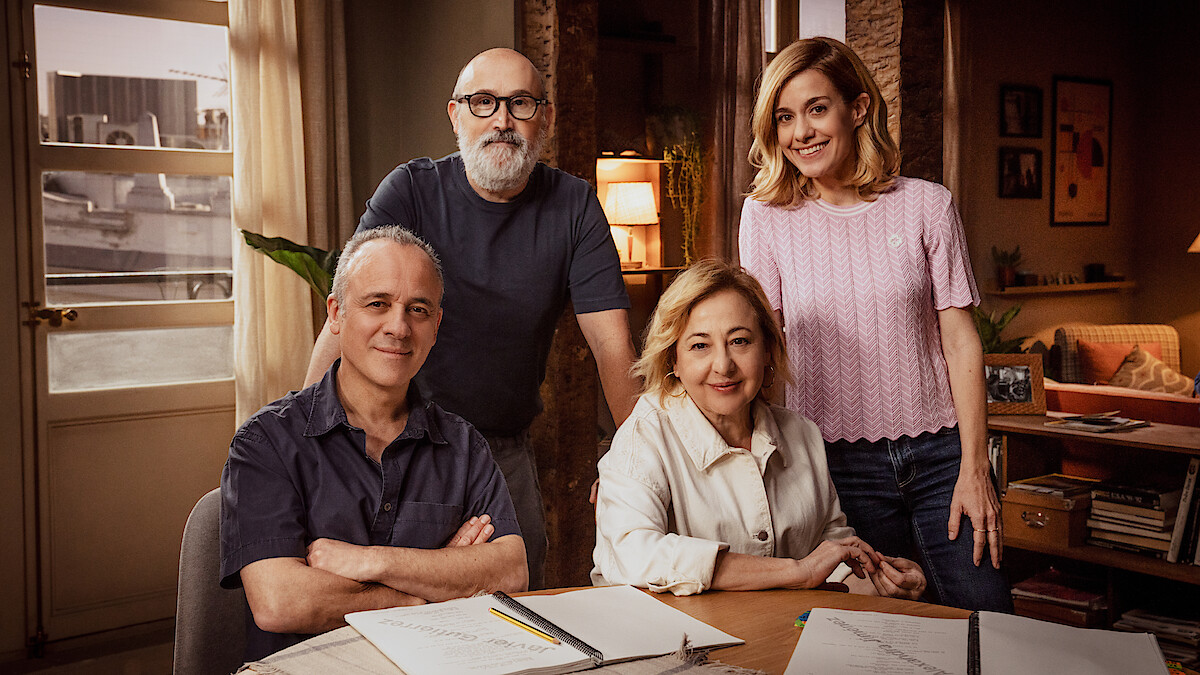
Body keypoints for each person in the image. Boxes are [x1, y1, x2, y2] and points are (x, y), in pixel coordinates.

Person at [303, 48, 640, 589]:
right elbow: (346, 322)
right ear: (456, 114)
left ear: (545, 119)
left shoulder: (574, 206)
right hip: (394, 445)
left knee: (518, 615)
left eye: (521, 104)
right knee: (383, 606)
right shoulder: (410, 191)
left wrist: (642, 461)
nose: (502, 120)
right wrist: (305, 445)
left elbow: (612, 347)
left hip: (500, 454)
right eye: (484, 103)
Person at [737, 37, 1012, 612]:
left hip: (942, 457)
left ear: (857, 109)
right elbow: (767, 350)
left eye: (817, 109)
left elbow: (960, 341)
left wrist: (975, 467)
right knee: (877, 636)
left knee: (990, 622)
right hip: (834, 467)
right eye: (785, 117)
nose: (801, 132)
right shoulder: (765, 219)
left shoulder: (927, 205)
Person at [222, 227, 528, 660]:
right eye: (377, 304)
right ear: (336, 313)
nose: (399, 327)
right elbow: (281, 602)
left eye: (418, 309)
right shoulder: (265, 442)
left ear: (436, 325)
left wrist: (373, 562)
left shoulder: (464, 446)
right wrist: (425, 592)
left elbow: (512, 572)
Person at [591, 259, 926, 600]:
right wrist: (797, 572)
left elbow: (832, 560)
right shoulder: (643, 436)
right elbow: (634, 555)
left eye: (739, 341)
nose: (723, 365)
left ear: (767, 348)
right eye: (699, 346)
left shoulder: (802, 434)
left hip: (778, 638)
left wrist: (880, 583)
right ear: (672, 360)